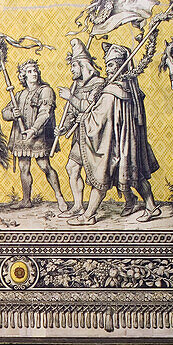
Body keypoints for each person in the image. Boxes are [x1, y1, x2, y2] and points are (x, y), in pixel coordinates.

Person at [70, 42, 160, 225]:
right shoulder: (126, 89)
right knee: (134, 173)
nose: (107, 68)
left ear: (120, 66)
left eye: (110, 65)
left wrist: (80, 114)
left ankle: (88, 216)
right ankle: (141, 203)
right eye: (107, 64)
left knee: (102, 177)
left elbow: (98, 120)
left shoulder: (112, 92)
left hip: (115, 144)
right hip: (123, 141)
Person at [1, 60, 67, 212]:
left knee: (45, 166)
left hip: (38, 135)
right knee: (24, 167)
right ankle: (26, 200)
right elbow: (5, 113)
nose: (34, 73)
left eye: (35, 70)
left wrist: (34, 129)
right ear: (23, 75)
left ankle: (59, 197)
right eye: (30, 71)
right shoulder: (18, 94)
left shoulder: (45, 91)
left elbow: (46, 113)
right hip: (21, 136)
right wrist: (12, 113)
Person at [57, 39, 105, 218]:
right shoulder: (77, 86)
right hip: (80, 135)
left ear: (83, 66)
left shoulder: (99, 83)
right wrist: (63, 128)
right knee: (72, 167)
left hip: (96, 136)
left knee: (98, 174)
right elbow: (71, 113)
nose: (71, 70)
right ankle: (78, 206)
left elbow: (88, 107)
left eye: (74, 67)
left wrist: (70, 97)